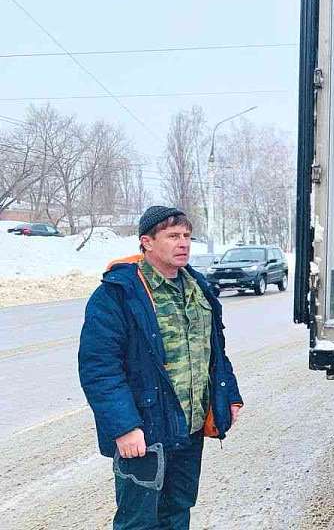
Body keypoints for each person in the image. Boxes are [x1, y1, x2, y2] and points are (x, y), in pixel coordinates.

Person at [78, 206, 243, 530]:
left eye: (187, 236)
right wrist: (124, 427)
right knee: (138, 522)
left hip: (189, 428)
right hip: (145, 430)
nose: (183, 243)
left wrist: (230, 396)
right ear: (147, 242)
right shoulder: (118, 294)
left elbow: (214, 351)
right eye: (172, 236)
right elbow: (99, 368)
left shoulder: (198, 288)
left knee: (178, 512)